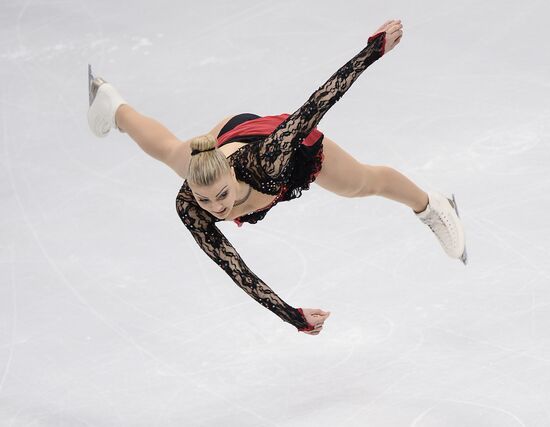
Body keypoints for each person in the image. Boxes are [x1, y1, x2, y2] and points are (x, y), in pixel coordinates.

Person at [87, 19, 467, 336]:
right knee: (169, 150)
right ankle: (112, 102)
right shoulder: (193, 202)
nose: (218, 209)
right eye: (206, 201)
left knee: (362, 184)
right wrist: (292, 315)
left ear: (228, 175)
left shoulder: (266, 159)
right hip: (224, 139)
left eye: (220, 195)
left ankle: (432, 205)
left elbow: (317, 104)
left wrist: (373, 50)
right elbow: (234, 268)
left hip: (275, 144)